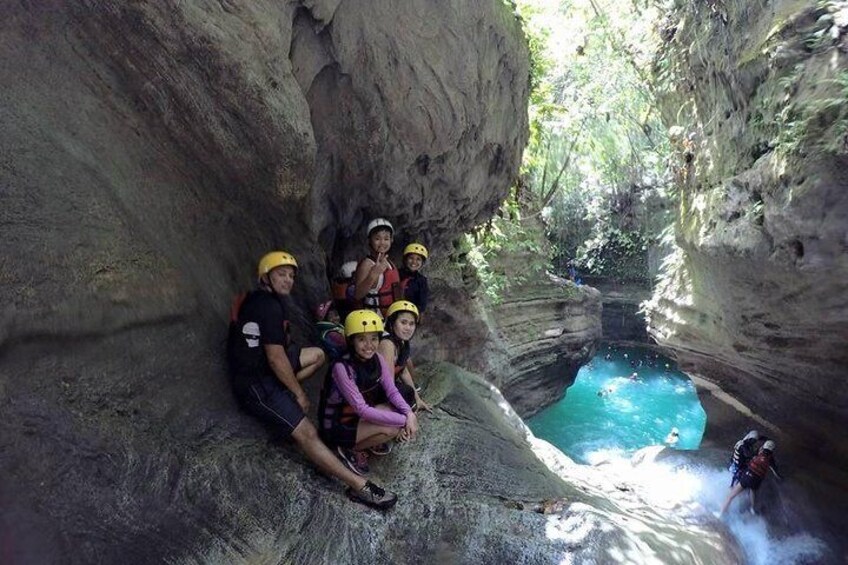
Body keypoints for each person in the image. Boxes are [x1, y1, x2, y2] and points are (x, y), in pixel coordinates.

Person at [228, 251, 397, 510]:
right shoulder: (269, 305)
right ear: (266, 276)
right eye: (280, 274)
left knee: (317, 355)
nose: (287, 280)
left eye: (291, 276)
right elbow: (275, 357)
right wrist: (297, 392)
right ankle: (359, 485)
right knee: (307, 433)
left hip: (262, 368)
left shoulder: (260, 300)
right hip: (257, 382)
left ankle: (286, 402)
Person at [319, 309, 418, 476]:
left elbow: (391, 390)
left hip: (355, 418)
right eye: (361, 339)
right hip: (336, 425)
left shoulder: (377, 359)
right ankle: (347, 449)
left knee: (401, 403)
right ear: (351, 341)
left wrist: (409, 413)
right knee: (392, 429)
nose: (369, 345)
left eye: (374, 339)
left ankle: (362, 440)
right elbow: (362, 409)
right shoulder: (341, 367)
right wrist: (403, 420)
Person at [378, 300, 432, 413]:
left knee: (408, 393)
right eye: (403, 322)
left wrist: (417, 399)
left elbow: (403, 371)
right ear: (392, 322)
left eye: (411, 324)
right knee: (405, 393)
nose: (408, 328)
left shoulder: (401, 341)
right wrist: (407, 412)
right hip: (373, 391)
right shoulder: (387, 344)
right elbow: (387, 384)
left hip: (386, 387)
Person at [720, 440, 782, 516]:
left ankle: (721, 514)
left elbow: (748, 455)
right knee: (753, 489)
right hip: (756, 481)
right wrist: (780, 478)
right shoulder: (770, 459)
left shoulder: (759, 452)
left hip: (746, 477)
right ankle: (752, 508)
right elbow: (776, 472)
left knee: (730, 497)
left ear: (763, 447)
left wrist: (742, 446)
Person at [354, 218, 401, 317]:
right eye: (377, 239)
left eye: (386, 239)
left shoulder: (389, 263)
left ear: (391, 240)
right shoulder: (367, 264)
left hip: (390, 317)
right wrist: (374, 273)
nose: (382, 243)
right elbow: (358, 294)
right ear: (369, 241)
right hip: (373, 319)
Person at [399, 243, 430, 315]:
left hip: (411, 313)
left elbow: (422, 302)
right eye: (411, 258)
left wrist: (418, 314)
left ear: (422, 263)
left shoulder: (422, 280)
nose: (414, 262)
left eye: (418, 259)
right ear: (405, 259)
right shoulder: (396, 274)